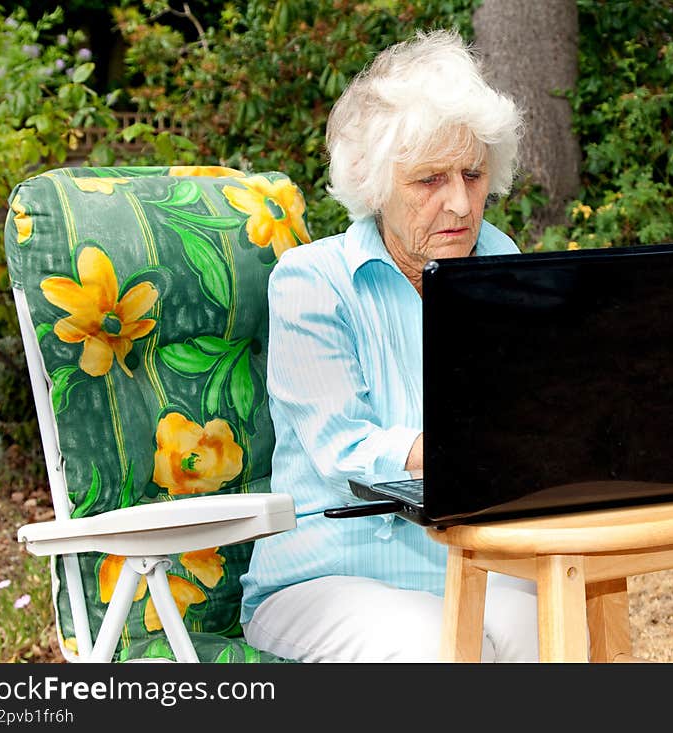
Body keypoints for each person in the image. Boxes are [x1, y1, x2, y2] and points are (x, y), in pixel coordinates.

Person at [239, 28, 540, 662]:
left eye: (473, 173)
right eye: (430, 179)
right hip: (324, 579)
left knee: (554, 631)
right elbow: (342, 448)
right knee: (440, 651)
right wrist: (468, 448)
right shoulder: (311, 282)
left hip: (469, 560)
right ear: (375, 185)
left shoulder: (499, 263)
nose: (460, 202)